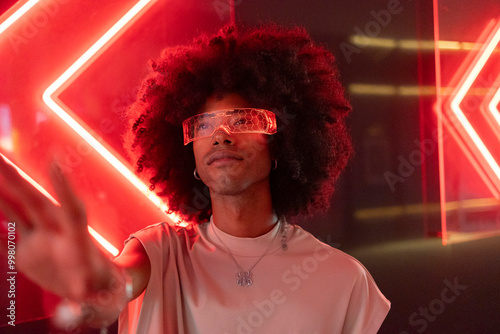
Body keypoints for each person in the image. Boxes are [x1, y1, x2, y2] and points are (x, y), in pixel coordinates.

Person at [0, 24, 390, 333]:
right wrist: (97, 289)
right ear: (190, 156)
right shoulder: (160, 253)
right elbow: (118, 283)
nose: (220, 135)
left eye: (242, 120)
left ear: (283, 145)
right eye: (203, 125)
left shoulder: (344, 281)